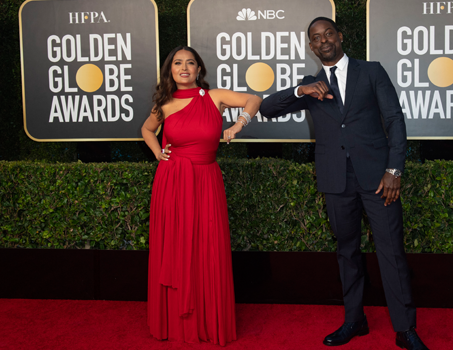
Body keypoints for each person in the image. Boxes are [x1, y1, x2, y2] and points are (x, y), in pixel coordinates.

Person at [259, 18, 429, 349]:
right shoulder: (311, 85)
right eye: (316, 38)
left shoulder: (372, 71)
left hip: (379, 180)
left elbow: (394, 119)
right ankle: (354, 320)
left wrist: (394, 170)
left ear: (340, 36)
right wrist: (300, 90)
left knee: (391, 252)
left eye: (328, 34)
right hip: (336, 180)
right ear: (311, 47)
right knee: (346, 251)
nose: (323, 41)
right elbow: (266, 108)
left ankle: (405, 328)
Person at [142, 46, 261, 345]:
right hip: (172, 182)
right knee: (177, 245)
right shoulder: (165, 103)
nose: (184, 67)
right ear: (170, 69)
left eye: (190, 63)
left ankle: (207, 320)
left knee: (207, 246)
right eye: (178, 63)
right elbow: (146, 129)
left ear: (199, 69)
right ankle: (175, 320)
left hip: (206, 181)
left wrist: (238, 124)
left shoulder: (214, 97)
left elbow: (254, 99)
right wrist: (159, 153)